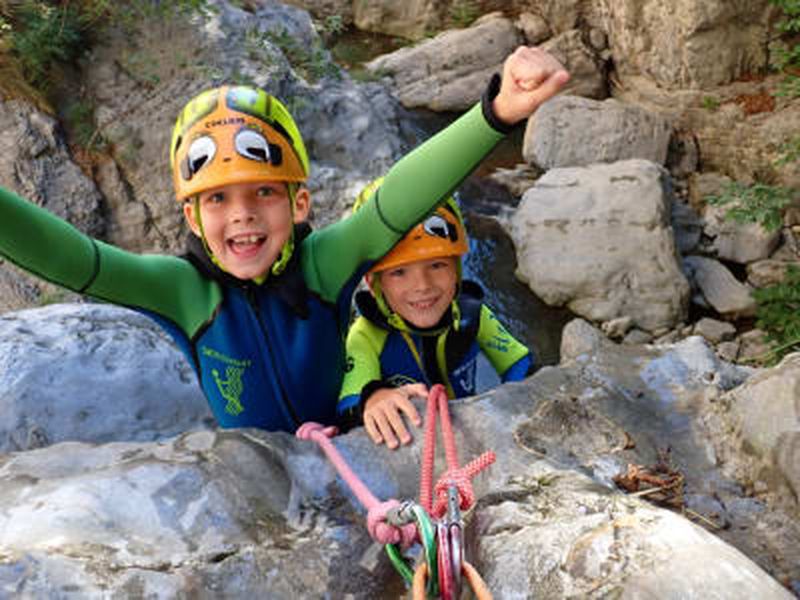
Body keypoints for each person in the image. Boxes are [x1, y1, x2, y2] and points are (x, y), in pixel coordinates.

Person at [0, 46, 569, 433]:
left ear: (299, 204)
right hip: (263, 478)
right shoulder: (183, 290)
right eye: (218, 199)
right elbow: (78, 261)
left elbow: (396, 203)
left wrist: (495, 112)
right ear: (192, 219)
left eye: (264, 193)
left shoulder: (323, 263)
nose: (243, 216)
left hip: (354, 445)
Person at [337, 182, 534, 449]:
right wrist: (375, 398)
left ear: (457, 269)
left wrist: (514, 409)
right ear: (374, 284)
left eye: (437, 265)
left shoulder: (471, 314)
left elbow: (520, 364)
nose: (422, 286)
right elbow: (350, 405)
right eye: (399, 272)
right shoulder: (365, 336)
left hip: (464, 435)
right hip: (412, 447)